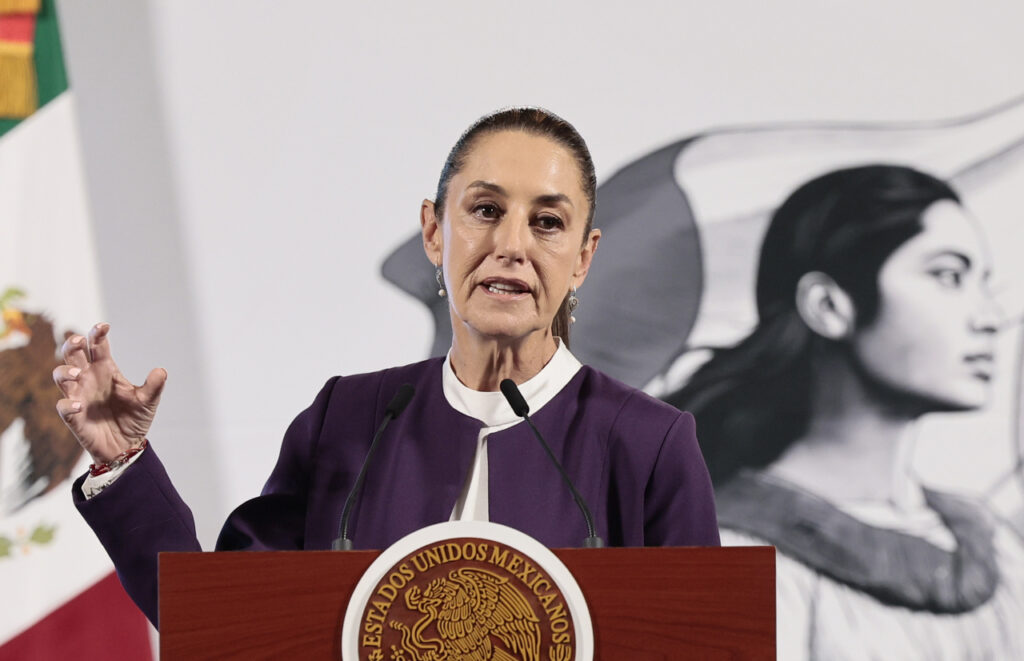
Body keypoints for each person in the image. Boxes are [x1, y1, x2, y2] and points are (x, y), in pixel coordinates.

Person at [54, 107, 720, 628]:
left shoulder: (648, 445)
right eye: (486, 210)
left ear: (583, 257)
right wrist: (123, 461)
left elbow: (703, 643)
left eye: (547, 222)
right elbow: (223, 623)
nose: (511, 244)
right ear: (434, 232)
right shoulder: (347, 421)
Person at [666, 164, 1024, 658]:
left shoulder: (997, 544)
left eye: (982, 283)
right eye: (948, 276)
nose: (989, 318)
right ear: (828, 306)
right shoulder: (728, 558)